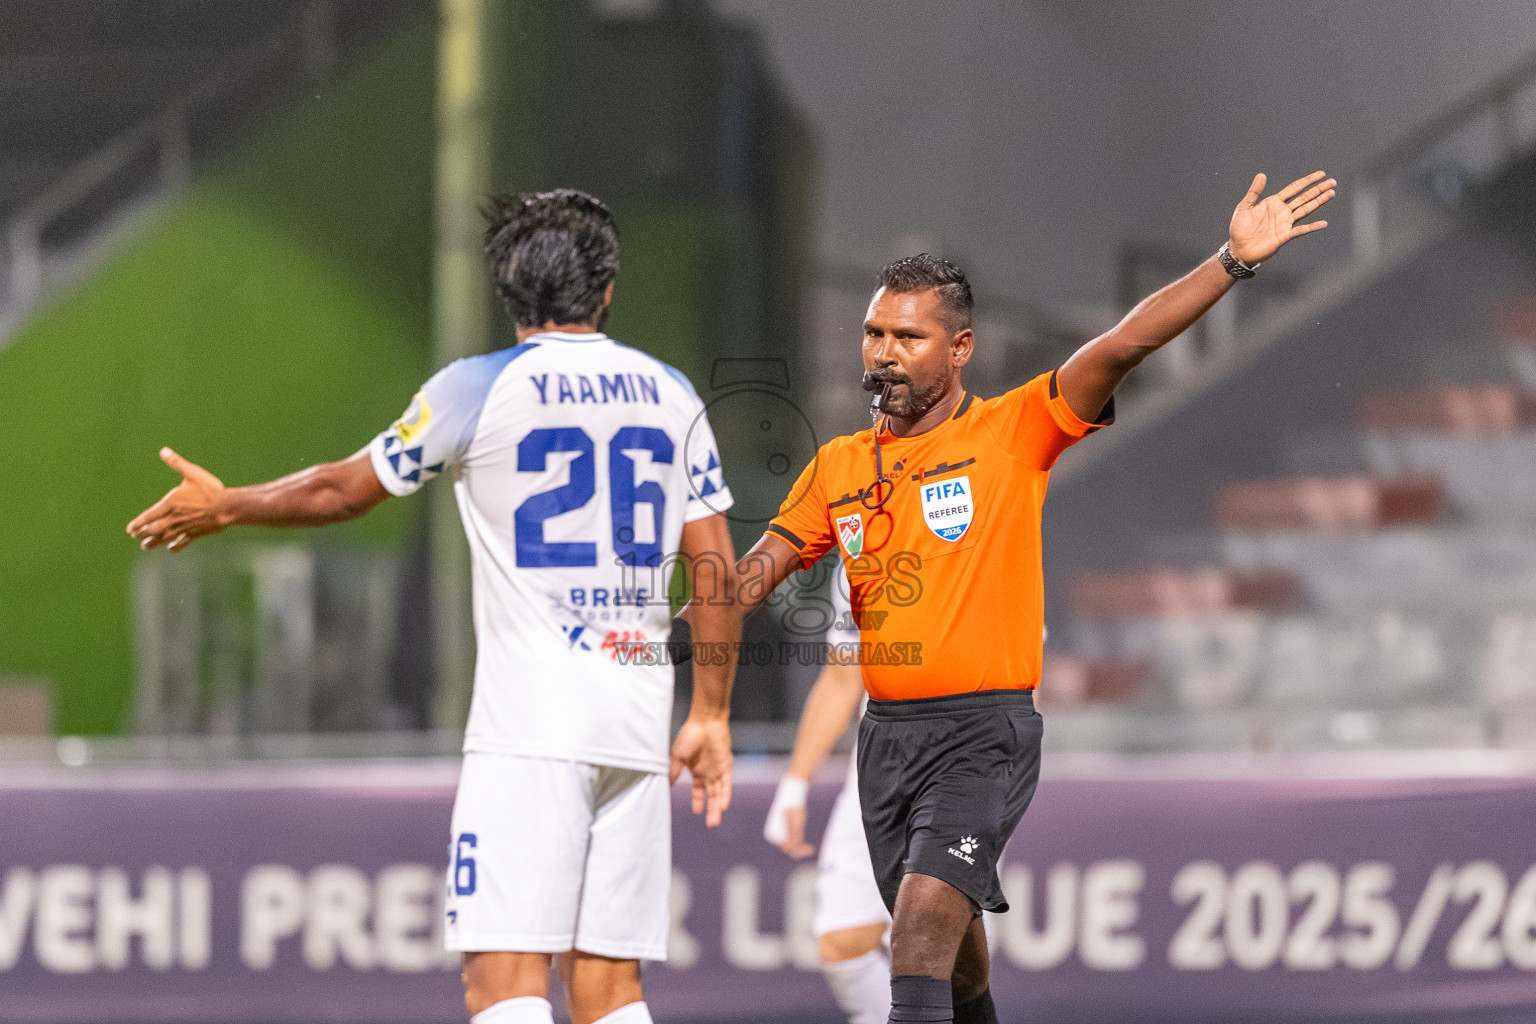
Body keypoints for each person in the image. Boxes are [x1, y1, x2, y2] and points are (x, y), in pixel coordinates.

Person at [126, 188, 743, 1024]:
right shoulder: (671, 393)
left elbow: (344, 491)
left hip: (530, 727)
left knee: (503, 982)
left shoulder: (477, 387)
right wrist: (710, 712)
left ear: (508, 292)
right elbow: (714, 568)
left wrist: (230, 504)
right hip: (636, 716)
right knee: (609, 987)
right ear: (606, 288)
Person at [735, 171, 1336, 1023]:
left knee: (915, 938)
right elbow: (754, 571)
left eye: (908, 336)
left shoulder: (1013, 432)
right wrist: (682, 622)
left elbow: (1121, 346)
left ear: (960, 349)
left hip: (981, 737)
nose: (884, 352)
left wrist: (1229, 263)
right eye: (874, 333)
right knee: (958, 971)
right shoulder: (837, 466)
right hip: (885, 742)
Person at [764, 559, 891, 1024]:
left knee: (942, 946)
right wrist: (795, 784)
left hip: (965, 763)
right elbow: (843, 676)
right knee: (842, 939)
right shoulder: (859, 554)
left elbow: (1024, 674)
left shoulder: (989, 536)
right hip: (879, 766)